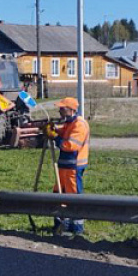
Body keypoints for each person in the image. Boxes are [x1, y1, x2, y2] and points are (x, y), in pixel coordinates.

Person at [45, 97, 90, 236]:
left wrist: (55, 137)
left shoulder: (79, 125)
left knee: (73, 196)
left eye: (62, 108)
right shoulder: (70, 123)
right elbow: (64, 132)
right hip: (64, 166)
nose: (60, 110)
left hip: (73, 166)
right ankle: (60, 224)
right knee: (59, 194)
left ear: (71, 110)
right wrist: (54, 130)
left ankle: (76, 228)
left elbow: (70, 145)